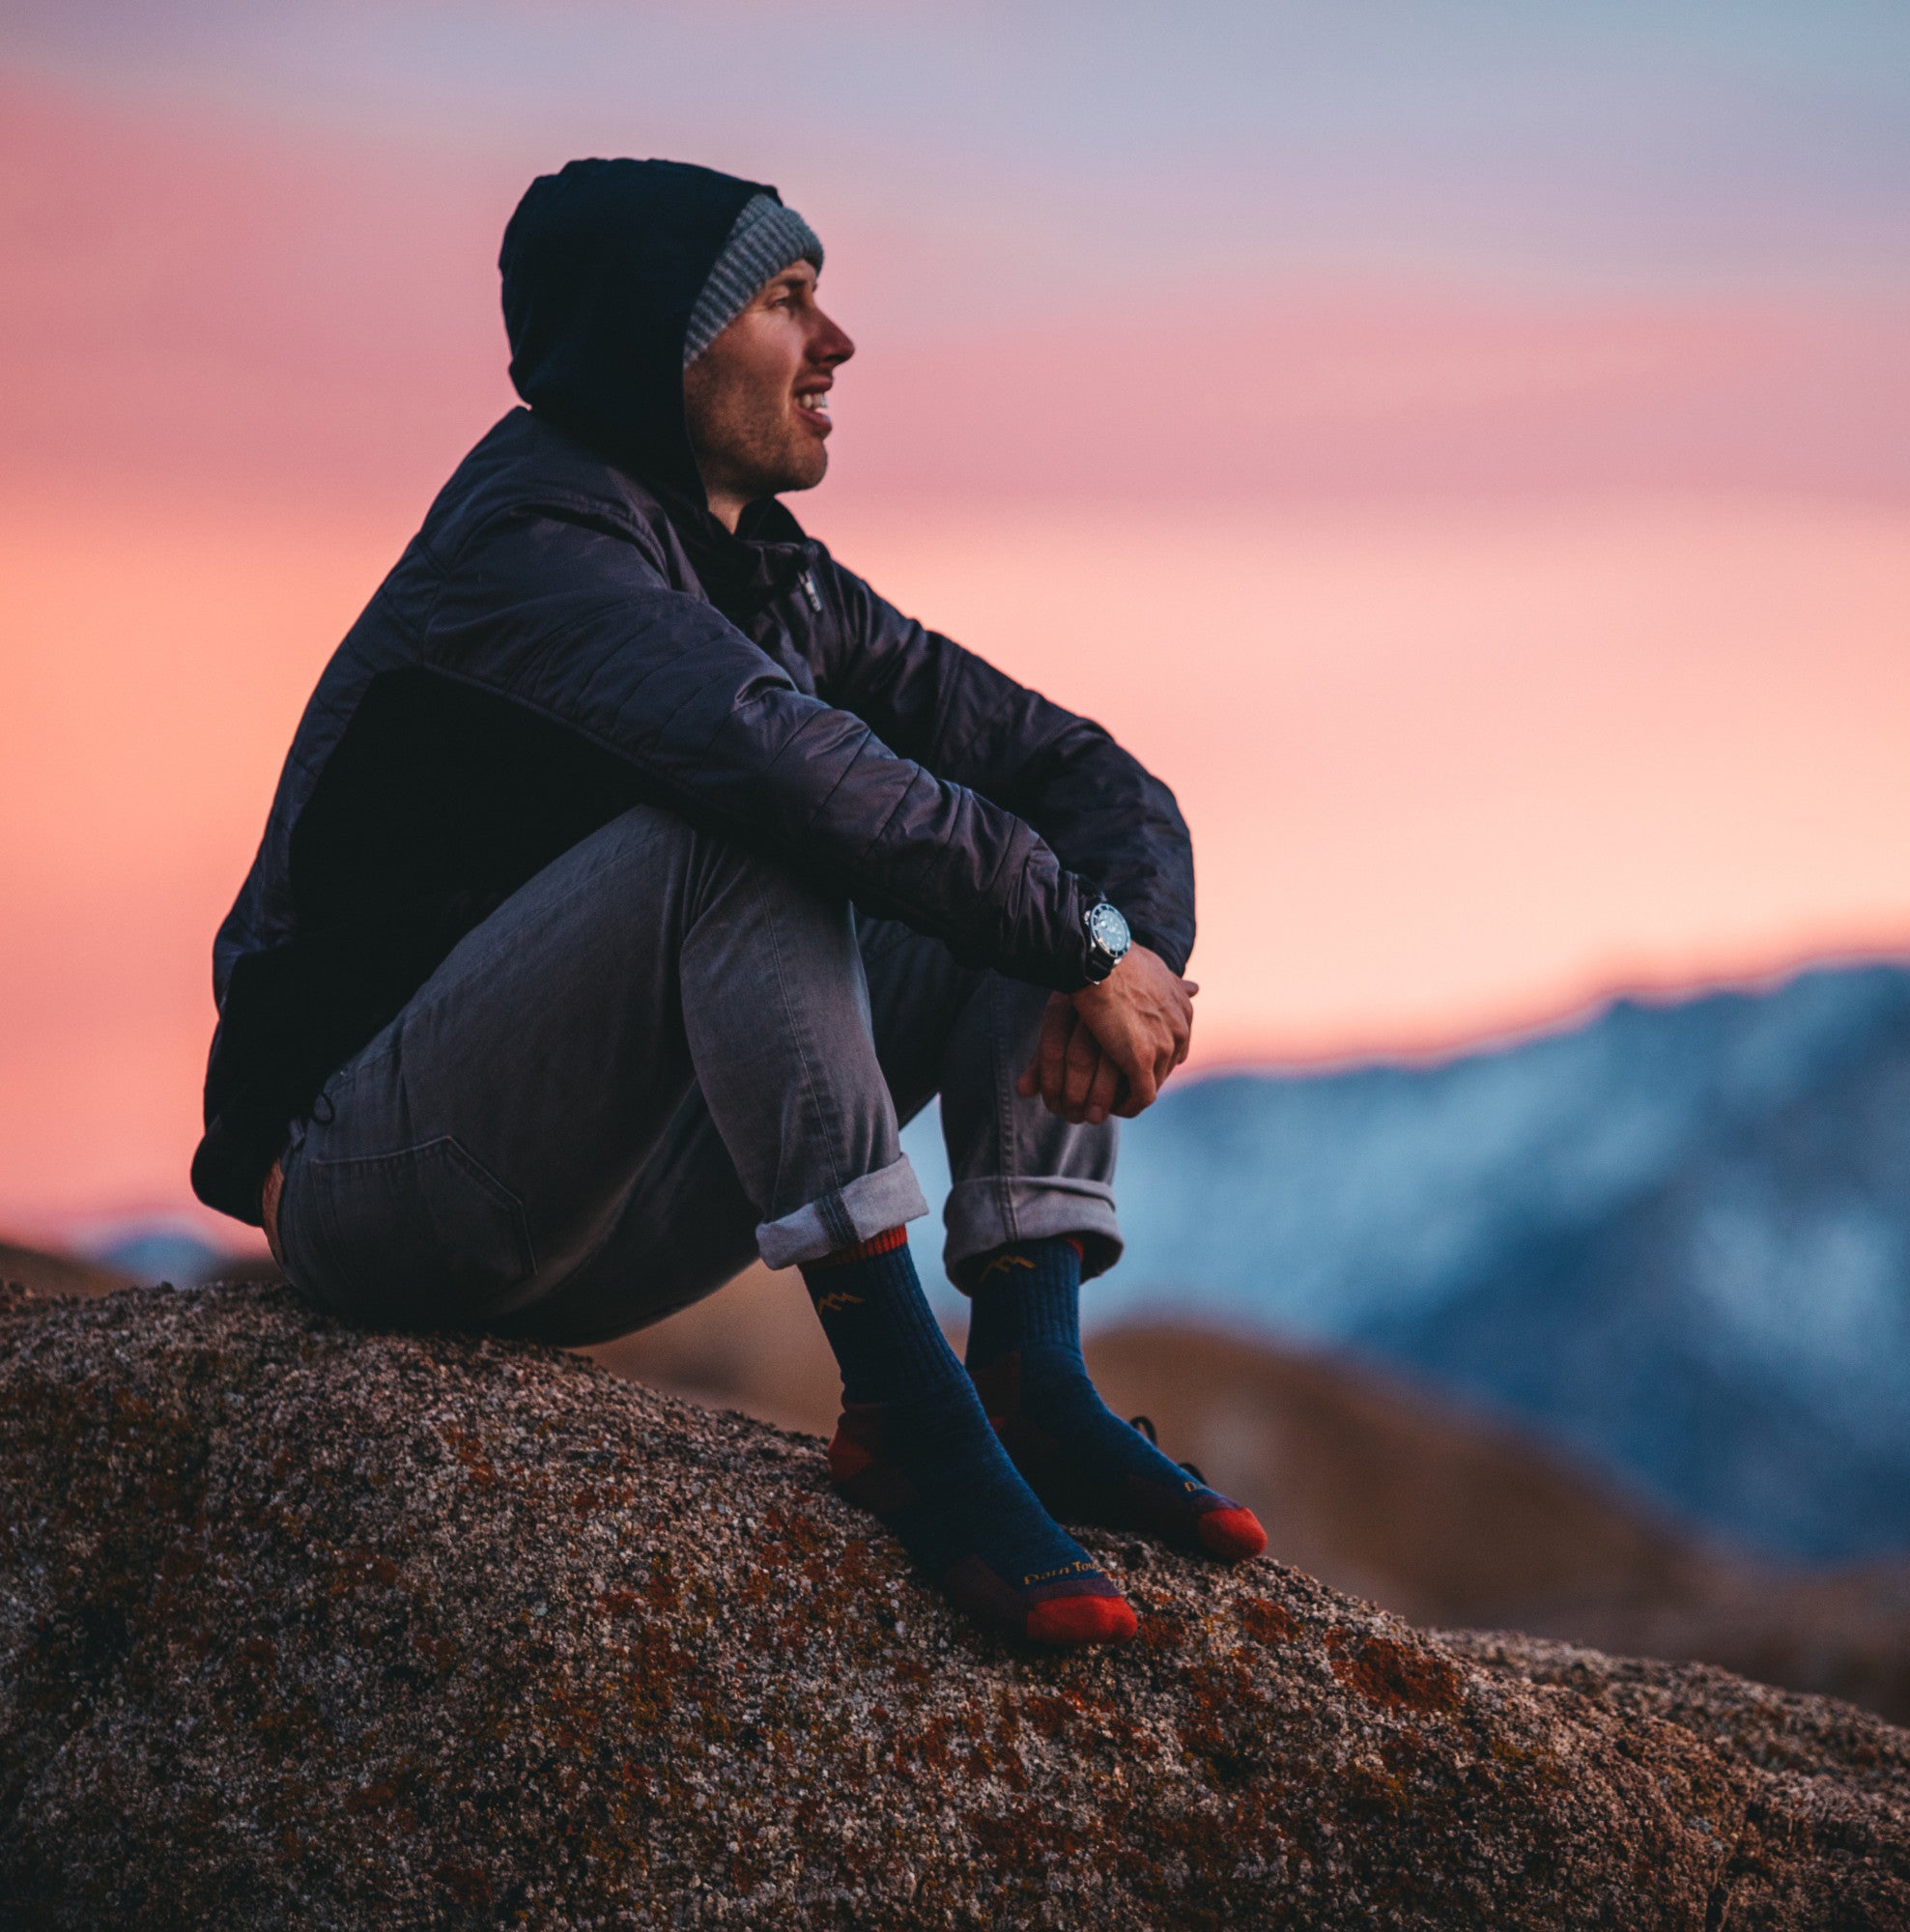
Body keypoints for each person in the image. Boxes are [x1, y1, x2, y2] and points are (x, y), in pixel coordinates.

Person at [192, 157, 1265, 1647]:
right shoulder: (532, 548)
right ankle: (908, 1408)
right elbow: (774, 765)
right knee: (765, 830)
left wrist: (1124, 943)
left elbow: (1081, 774)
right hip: (375, 1181)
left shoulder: (779, 581)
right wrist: (1079, 941)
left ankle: (1030, 1374)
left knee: (1010, 844)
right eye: (786, 300)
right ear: (663, 342)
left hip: (599, 1202)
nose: (836, 344)